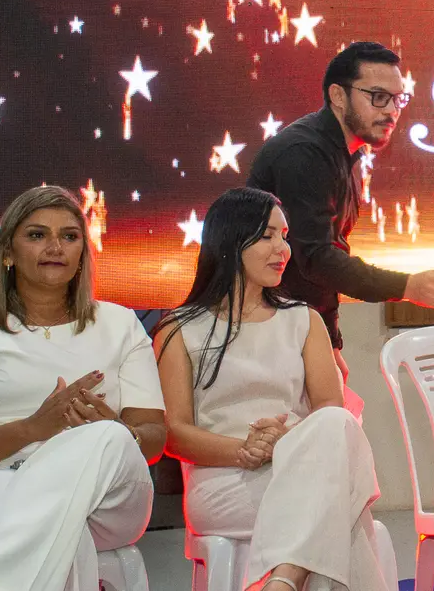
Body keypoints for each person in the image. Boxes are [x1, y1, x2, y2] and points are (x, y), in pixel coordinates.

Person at [0, 185, 166, 591]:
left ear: (83, 253)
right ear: (7, 252)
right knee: (62, 532)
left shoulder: (120, 324)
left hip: (106, 499)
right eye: (37, 234)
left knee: (111, 437)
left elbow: (153, 439)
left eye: (69, 236)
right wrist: (32, 429)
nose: (55, 247)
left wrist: (115, 431)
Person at [155, 187, 386, 591]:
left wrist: (284, 441)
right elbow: (173, 433)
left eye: (285, 236)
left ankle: (283, 580)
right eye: (267, 236)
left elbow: (329, 410)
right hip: (225, 481)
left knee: (337, 423)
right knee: (340, 505)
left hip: (298, 465)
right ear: (229, 241)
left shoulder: (304, 320)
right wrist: (245, 450)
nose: (283, 249)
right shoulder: (179, 328)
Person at [248, 40, 434, 372]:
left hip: (292, 327)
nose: (391, 110)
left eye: (397, 99)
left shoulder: (344, 154)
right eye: (378, 97)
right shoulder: (304, 154)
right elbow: (316, 260)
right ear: (338, 95)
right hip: (265, 333)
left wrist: (329, 341)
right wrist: (406, 286)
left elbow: (326, 258)